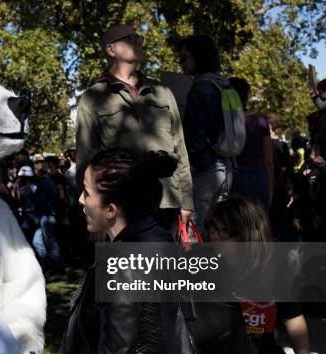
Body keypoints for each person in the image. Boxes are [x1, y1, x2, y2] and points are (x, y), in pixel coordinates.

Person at [60, 147, 201, 354]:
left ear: (111, 210)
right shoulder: (160, 238)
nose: (80, 200)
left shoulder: (123, 263)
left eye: (87, 192)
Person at [76, 24, 195, 235]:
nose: (138, 42)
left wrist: (187, 201)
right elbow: (87, 158)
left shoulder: (163, 92)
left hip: (167, 202)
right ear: (111, 50)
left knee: (165, 266)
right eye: (130, 38)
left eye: (138, 37)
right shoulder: (93, 97)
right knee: (127, 266)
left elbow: (180, 148)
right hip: (122, 207)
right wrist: (94, 211)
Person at [196, 197, 314, 354]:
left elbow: (293, 317)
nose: (215, 236)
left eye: (225, 231)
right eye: (213, 229)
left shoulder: (276, 269)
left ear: (247, 233)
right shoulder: (202, 264)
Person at [178, 35, 233, 233]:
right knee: (216, 232)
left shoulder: (200, 88)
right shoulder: (223, 83)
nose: (180, 63)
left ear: (198, 56)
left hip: (206, 170)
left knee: (194, 233)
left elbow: (195, 141)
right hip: (226, 168)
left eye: (184, 58)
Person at [229, 77, 274, 212]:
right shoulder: (260, 121)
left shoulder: (224, 122)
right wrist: (270, 190)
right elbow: (268, 161)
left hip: (233, 178)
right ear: (246, 97)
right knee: (257, 226)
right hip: (258, 179)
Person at [32, 160, 65, 274]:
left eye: (35, 169)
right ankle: (50, 265)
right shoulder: (46, 181)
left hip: (46, 216)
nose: (34, 172)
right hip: (45, 216)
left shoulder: (44, 182)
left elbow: (42, 202)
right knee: (37, 242)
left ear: (39, 170)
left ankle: (58, 266)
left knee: (50, 242)